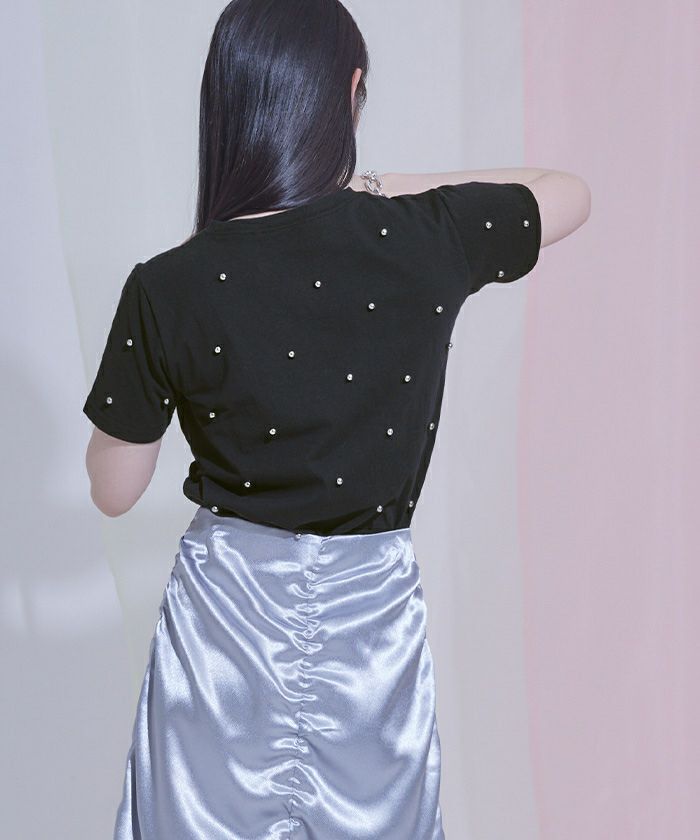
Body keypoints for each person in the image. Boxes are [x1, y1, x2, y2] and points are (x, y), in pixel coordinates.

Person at [82, 2, 591, 838]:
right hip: (370, 628)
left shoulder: (168, 284)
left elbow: (115, 491)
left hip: (224, 629)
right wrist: (378, 187)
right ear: (351, 92)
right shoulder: (427, 238)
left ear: (228, 103)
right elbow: (567, 193)